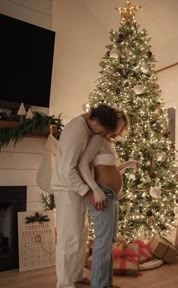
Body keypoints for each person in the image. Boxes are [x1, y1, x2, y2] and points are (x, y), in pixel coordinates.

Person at [51, 104, 119, 288]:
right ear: (93, 119)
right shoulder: (76, 130)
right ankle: (64, 283)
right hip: (67, 188)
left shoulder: (88, 128)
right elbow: (68, 170)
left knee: (80, 235)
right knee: (68, 237)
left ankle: (76, 274)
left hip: (77, 188)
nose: (104, 135)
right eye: (103, 130)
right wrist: (89, 192)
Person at [79, 109, 138, 288]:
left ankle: (106, 284)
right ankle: (99, 285)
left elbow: (109, 170)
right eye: (119, 128)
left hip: (112, 197)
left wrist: (127, 165)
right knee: (103, 243)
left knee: (109, 240)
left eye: (121, 129)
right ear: (113, 121)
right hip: (102, 195)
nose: (119, 132)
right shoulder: (97, 139)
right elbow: (82, 165)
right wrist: (95, 190)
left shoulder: (108, 142)